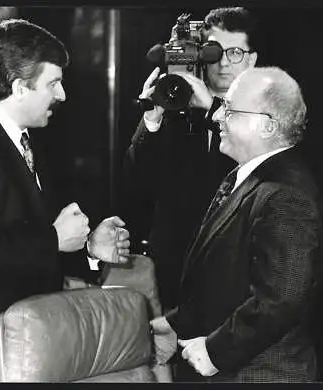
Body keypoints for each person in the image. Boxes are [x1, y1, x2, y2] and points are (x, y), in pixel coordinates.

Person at [0, 18, 130, 382]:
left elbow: (29, 238)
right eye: (53, 83)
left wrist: (90, 249)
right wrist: (54, 240)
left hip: (29, 350)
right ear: (19, 88)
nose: (62, 95)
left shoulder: (29, 143)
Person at [150, 66, 323, 382]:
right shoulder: (254, 176)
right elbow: (227, 280)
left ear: (267, 126)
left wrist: (216, 352)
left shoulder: (287, 195)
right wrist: (178, 323)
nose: (217, 117)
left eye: (229, 110)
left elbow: (281, 299)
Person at [123, 7, 259, 311]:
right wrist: (153, 118)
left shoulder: (268, 109)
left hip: (237, 278)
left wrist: (212, 108)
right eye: (214, 51)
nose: (223, 61)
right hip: (175, 273)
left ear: (252, 59)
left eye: (235, 52)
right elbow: (135, 184)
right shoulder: (177, 104)